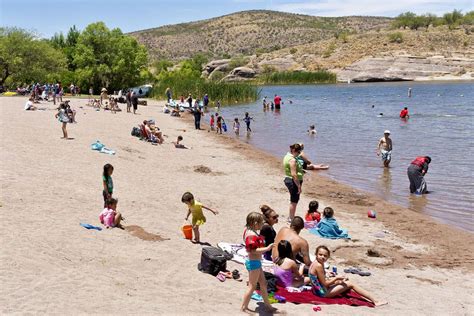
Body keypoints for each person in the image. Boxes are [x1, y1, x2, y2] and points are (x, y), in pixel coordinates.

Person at [309, 246, 387, 306]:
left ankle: (358, 292)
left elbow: (318, 276)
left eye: (325, 256)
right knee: (350, 284)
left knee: (342, 281)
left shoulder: (316, 262)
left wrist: (329, 274)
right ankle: (375, 301)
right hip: (322, 293)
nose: (322, 257)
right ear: (316, 254)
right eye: (320, 254)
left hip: (316, 290)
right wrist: (336, 278)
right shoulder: (319, 265)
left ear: (328, 257)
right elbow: (325, 283)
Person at [241, 212, 277, 314]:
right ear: (255, 223)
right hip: (254, 263)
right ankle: (244, 307)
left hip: (255, 262)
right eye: (261, 223)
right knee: (252, 286)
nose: (262, 225)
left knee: (263, 283)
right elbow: (253, 250)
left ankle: (267, 305)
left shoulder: (248, 231)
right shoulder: (251, 235)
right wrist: (268, 248)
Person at [283, 143, 304, 221]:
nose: (299, 154)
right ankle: (291, 218)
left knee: (293, 199)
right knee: (294, 201)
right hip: (292, 181)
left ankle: (291, 217)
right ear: (294, 151)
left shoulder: (287, 156)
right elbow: (294, 174)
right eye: (298, 152)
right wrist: (299, 186)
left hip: (289, 179)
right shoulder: (292, 160)